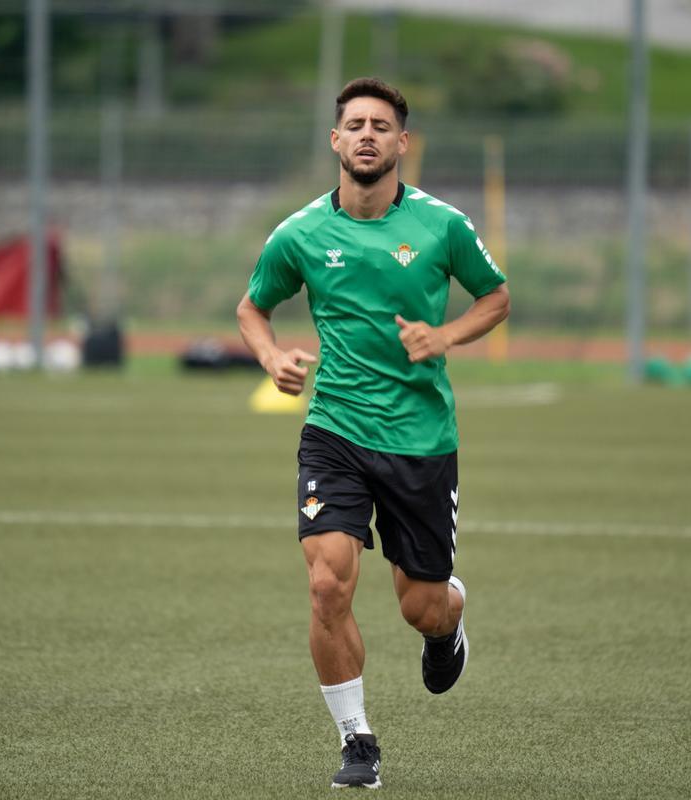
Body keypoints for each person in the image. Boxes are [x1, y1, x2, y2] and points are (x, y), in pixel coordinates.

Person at [236, 77, 510, 790]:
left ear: (401, 144)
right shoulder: (298, 233)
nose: (366, 134)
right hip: (335, 431)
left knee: (419, 606)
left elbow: (497, 296)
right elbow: (252, 308)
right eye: (353, 124)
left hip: (421, 440)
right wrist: (271, 358)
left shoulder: (442, 226)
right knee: (327, 583)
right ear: (335, 141)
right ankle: (357, 738)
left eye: (380, 125)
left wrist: (444, 335)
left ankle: (449, 622)